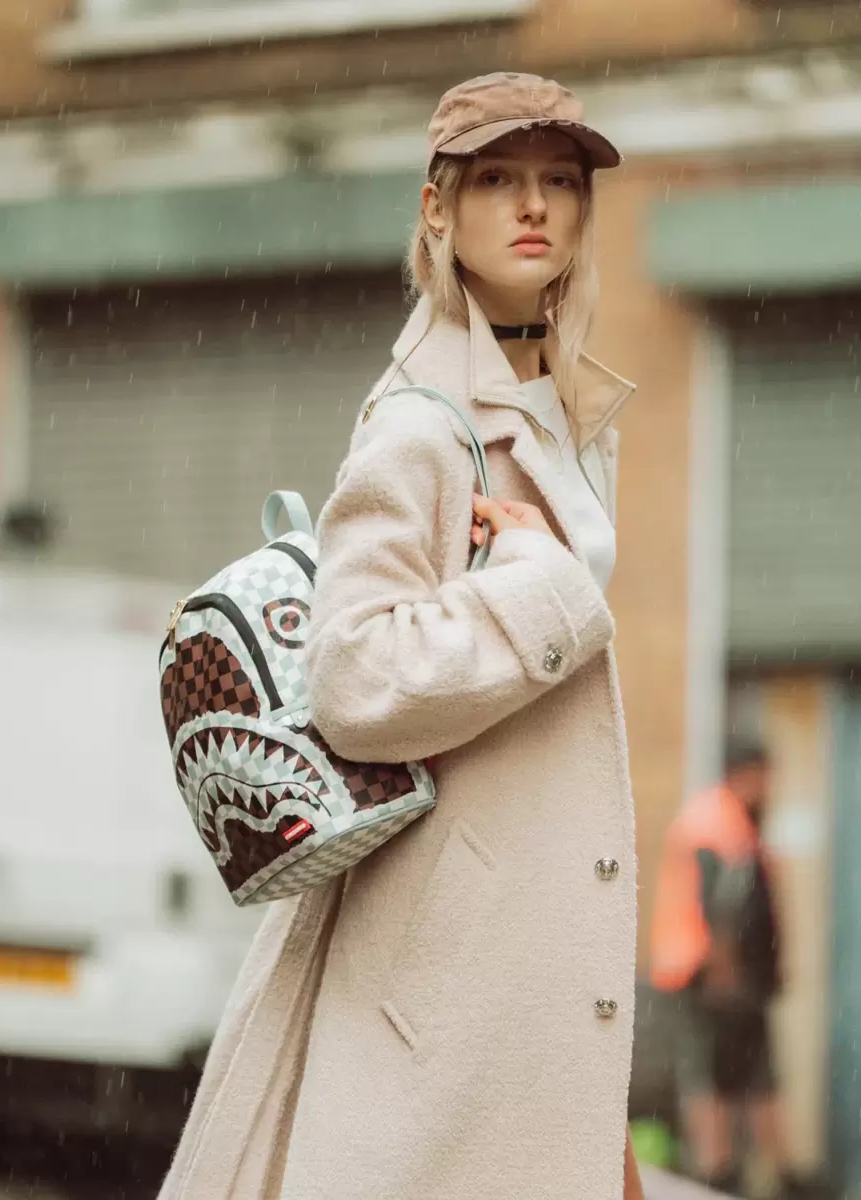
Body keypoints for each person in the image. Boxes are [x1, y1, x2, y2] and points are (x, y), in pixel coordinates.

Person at [160, 72, 642, 1199]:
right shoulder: (421, 425)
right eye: (498, 179)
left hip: (520, 953)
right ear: (438, 210)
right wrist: (545, 589)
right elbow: (356, 674)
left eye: (560, 181)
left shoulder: (568, 417)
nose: (535, 205)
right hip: (446, 969)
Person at [650, 739, 808, 1198]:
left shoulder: (729, 819)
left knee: (747, 1076)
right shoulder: (718, 822)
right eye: (765, 777)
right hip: (703, 977)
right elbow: (719, 905)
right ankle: (719, 1173)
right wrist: (726, 979)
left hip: (722, 979)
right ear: (747, 774)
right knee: (712, 1075)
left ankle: (757, 1174)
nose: (769, 788)